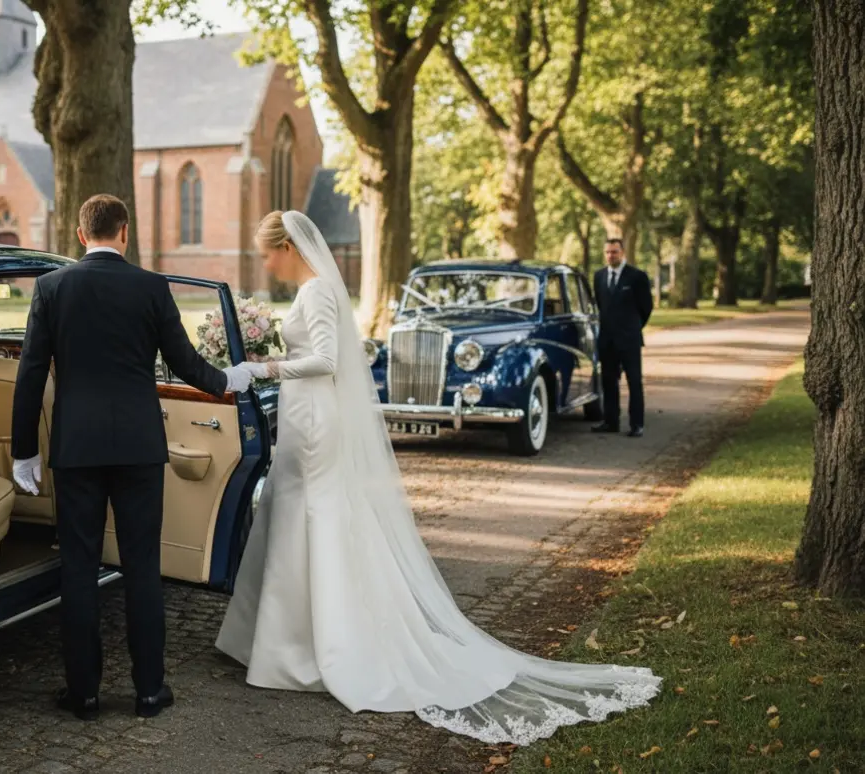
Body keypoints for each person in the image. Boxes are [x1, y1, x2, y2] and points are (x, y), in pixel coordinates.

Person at [214, 211, 661, 745]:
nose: (265, 263)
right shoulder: (316, 291)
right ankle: (281, 639)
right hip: (307, 415)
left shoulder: (315, 293)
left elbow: (328, 360)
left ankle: (308, 648)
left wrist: (261, 368)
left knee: (312, 517)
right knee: (296, 517)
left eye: (268, 253)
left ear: (288, 246)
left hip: (314, 424)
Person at [10, 194, 253, 721]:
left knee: (78, 569)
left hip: (76, 449)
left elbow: (30, 372)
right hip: (140, 448)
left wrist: (23, 451)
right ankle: (148, 691)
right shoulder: (150, 286)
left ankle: (84, 694)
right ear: (125, 233)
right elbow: (185, 363)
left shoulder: (52, 288)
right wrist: (227, 381)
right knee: (143, 567)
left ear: (81, 236)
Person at [592, 238, 653, 437]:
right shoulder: (599, 276)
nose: (611, 255)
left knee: (634, 382)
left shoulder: (637, 277)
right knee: (609, 382)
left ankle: (637, 424)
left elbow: (646, 308)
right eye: (608, 252)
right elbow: (601, 305)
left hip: (629, 340)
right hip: (607, 340)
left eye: (615, 252)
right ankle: (611, 422)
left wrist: (632, 328)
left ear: (623, 252)